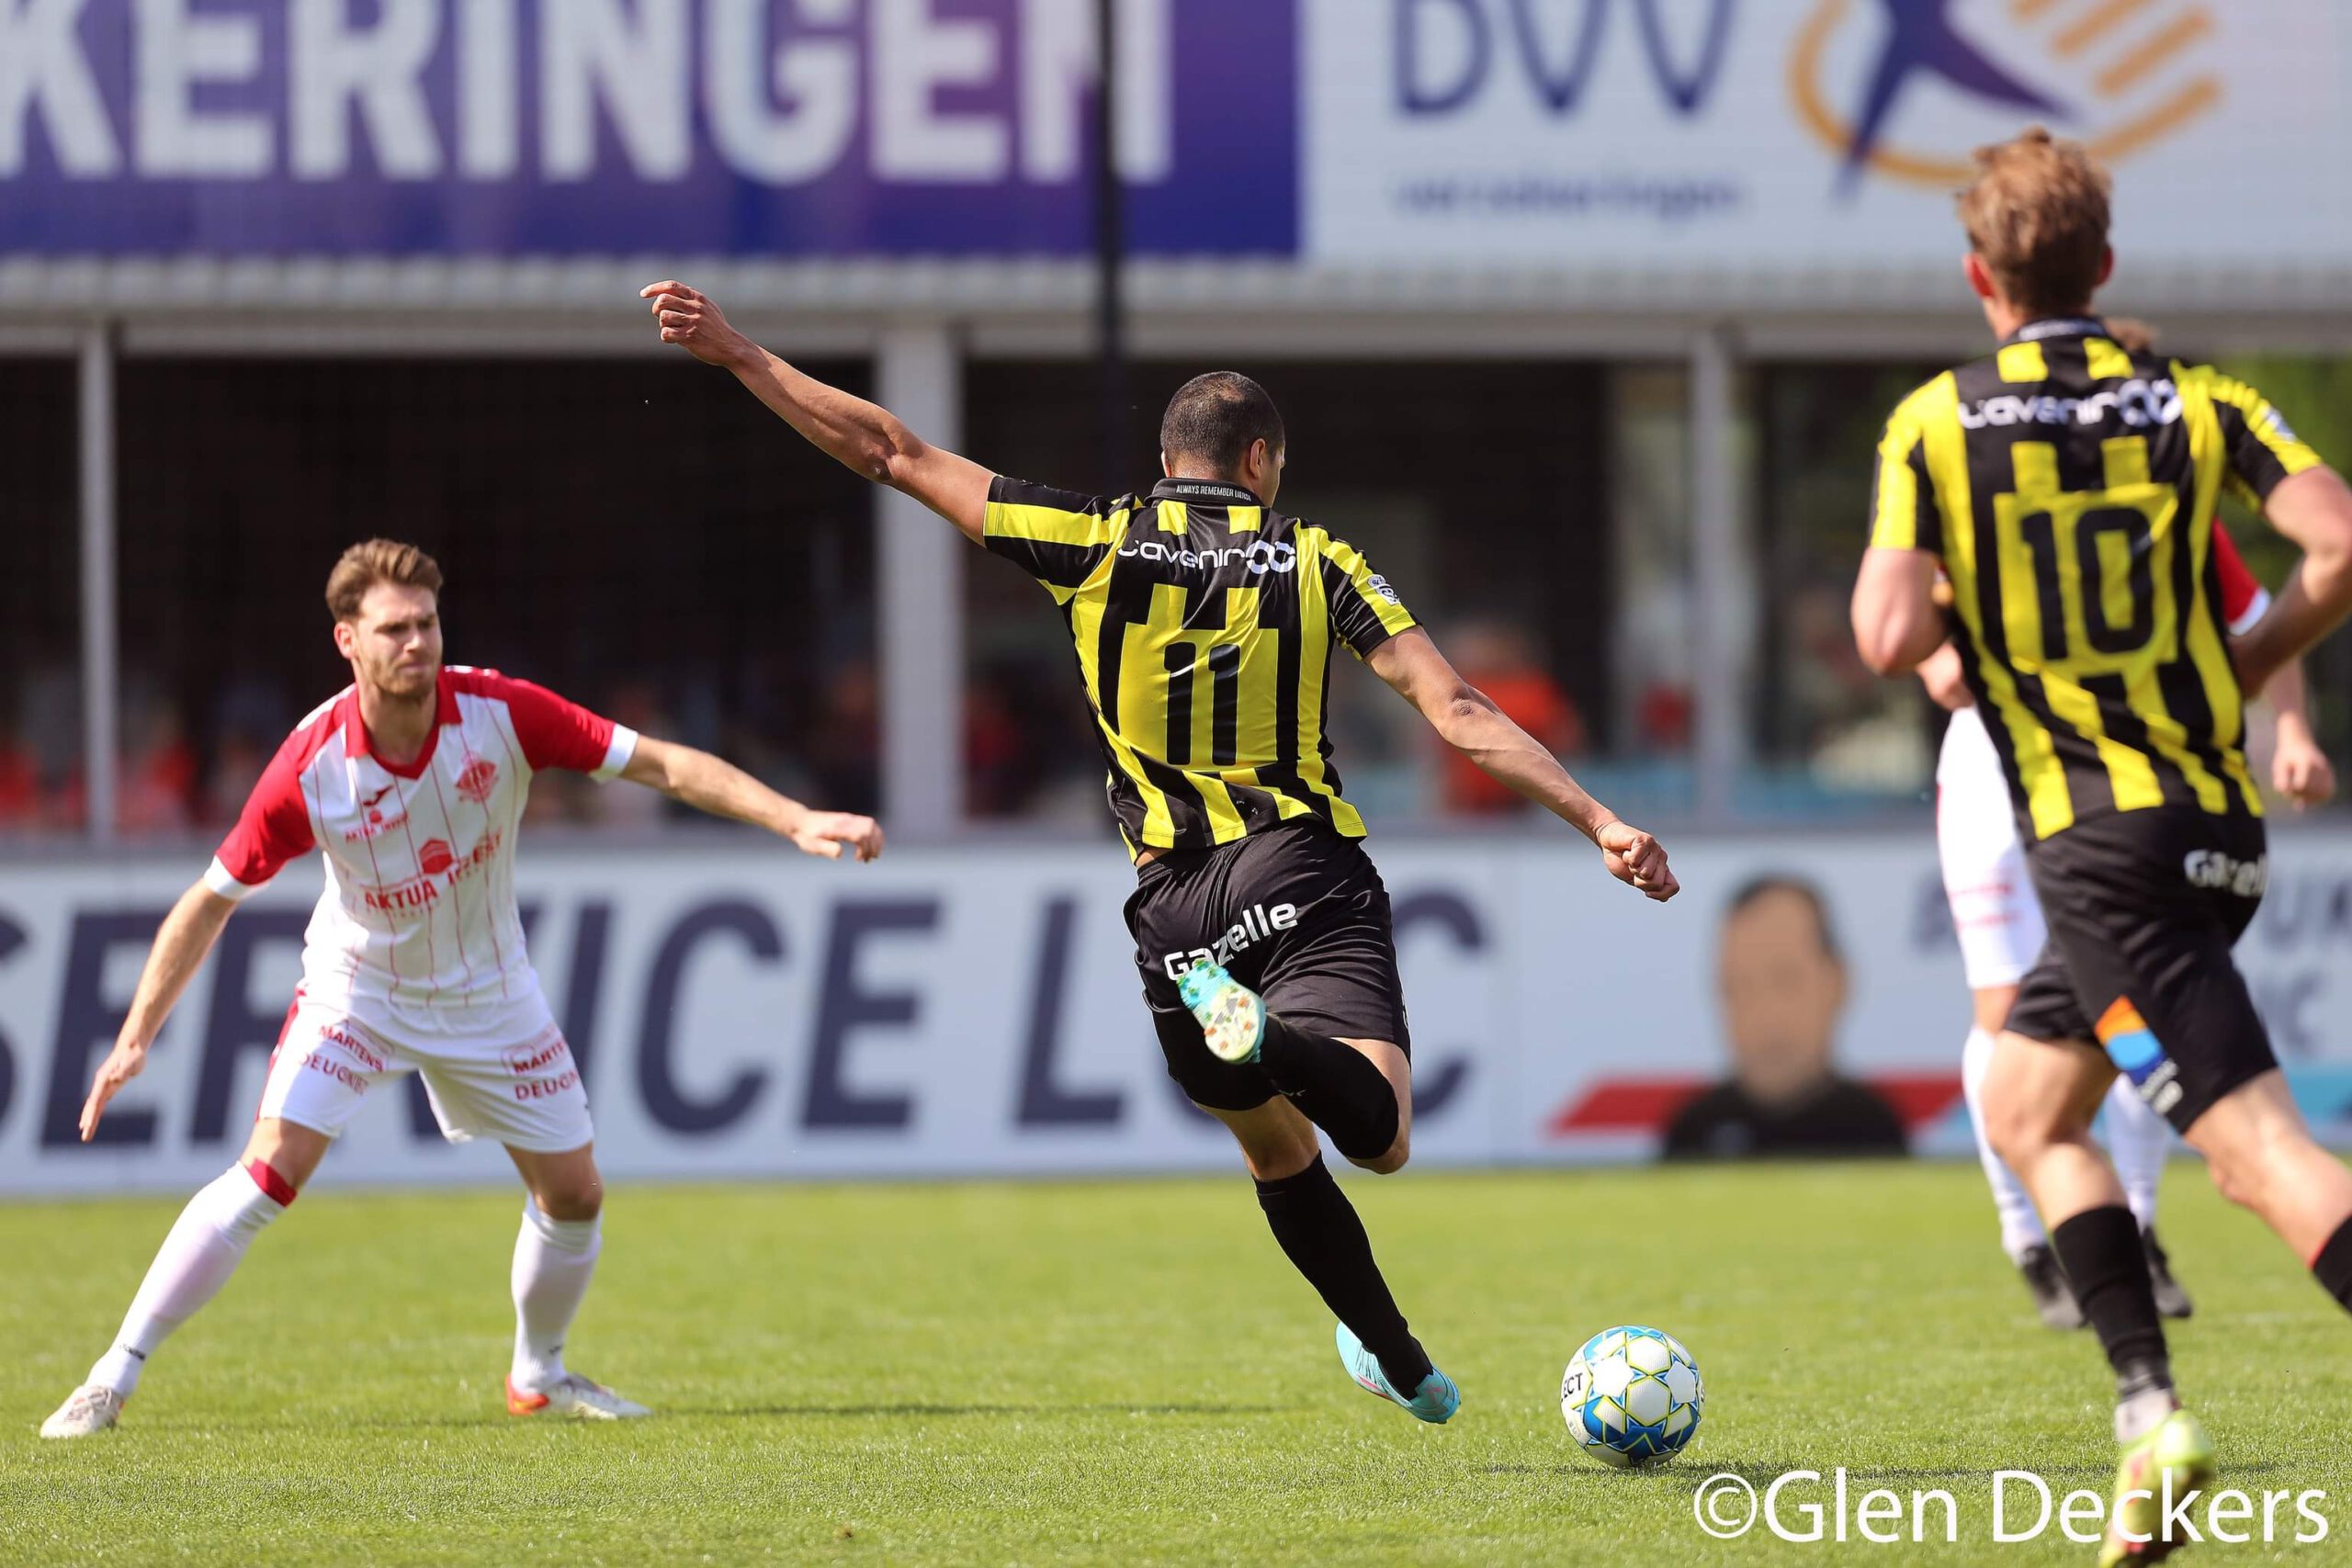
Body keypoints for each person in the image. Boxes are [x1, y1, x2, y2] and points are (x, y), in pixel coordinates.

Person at [643, 278, 1678, 1425]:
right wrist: (1600, 820)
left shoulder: (1092, 538)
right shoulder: (1319, 561)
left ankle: (1402, 1359)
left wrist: (737, 352)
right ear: (1259, 462)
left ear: (1166, 457)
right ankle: (1281, 1044)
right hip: (1299, 864)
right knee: (1376, 1138)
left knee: (1275, 1151)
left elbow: (889, 450)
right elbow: (1459, 709)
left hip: (1174, 920)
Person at [41, 540, 882, 1439]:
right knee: (266, 1174)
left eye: (427, 624)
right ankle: (111, 1376)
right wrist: (136, 1035)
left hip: (490, 992)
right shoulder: (310, 765)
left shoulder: (503, 714)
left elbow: (664, 766)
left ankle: (539, 1373)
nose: (416, 643)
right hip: (358, 990)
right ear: (347, 642)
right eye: (394, 629)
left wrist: (795, 819)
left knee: (577, 1195)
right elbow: (208, 900)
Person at [1850, 129, 2352, 1565]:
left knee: (2258, 1157)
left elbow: (1888, 633)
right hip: (2209, 821)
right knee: (2027, 1105)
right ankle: (2150, 1413)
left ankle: (2151, 1406)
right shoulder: (2201, 401)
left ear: (1978, 276)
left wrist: (1984, 636)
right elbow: (2336, 541)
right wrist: (2255, 669)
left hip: (2095, 838)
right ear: (2106, 266)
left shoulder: (1935, 424)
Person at [1922, 509, 2336, 1332]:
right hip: (1995, 769)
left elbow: (2259, 618)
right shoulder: (1968, 476)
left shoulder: (2159, 481)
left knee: (2133, 1004)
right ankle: (2030, 1240)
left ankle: (2138, 1223)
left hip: (2119, 778)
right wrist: (1944, 649)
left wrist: (2291, 727)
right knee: (2003, 1011)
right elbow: (1919, 643)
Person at [1664, 876, 1908, 1159]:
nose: (1765, 1014)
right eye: (1740, 985)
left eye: (1785, 980)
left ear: (1837, 982)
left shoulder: (1872, 1126)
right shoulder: (1695, 1128)